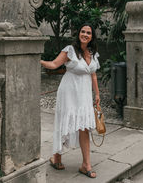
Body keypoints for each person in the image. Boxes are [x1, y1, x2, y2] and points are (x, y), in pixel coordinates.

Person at [40, 23, 100, 178]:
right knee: (63, 122)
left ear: (92, 36)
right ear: (78, 33)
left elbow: (93, 75)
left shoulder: (93, 53)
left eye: (88, 32)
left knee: (84, 127)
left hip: (85, 94)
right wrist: (37, 60)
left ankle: (86, 165)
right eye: (82, 31)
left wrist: (97, 95)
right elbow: (54, 64)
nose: (85, 34)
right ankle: (57, 158)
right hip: (69, 92)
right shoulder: (70, 50)